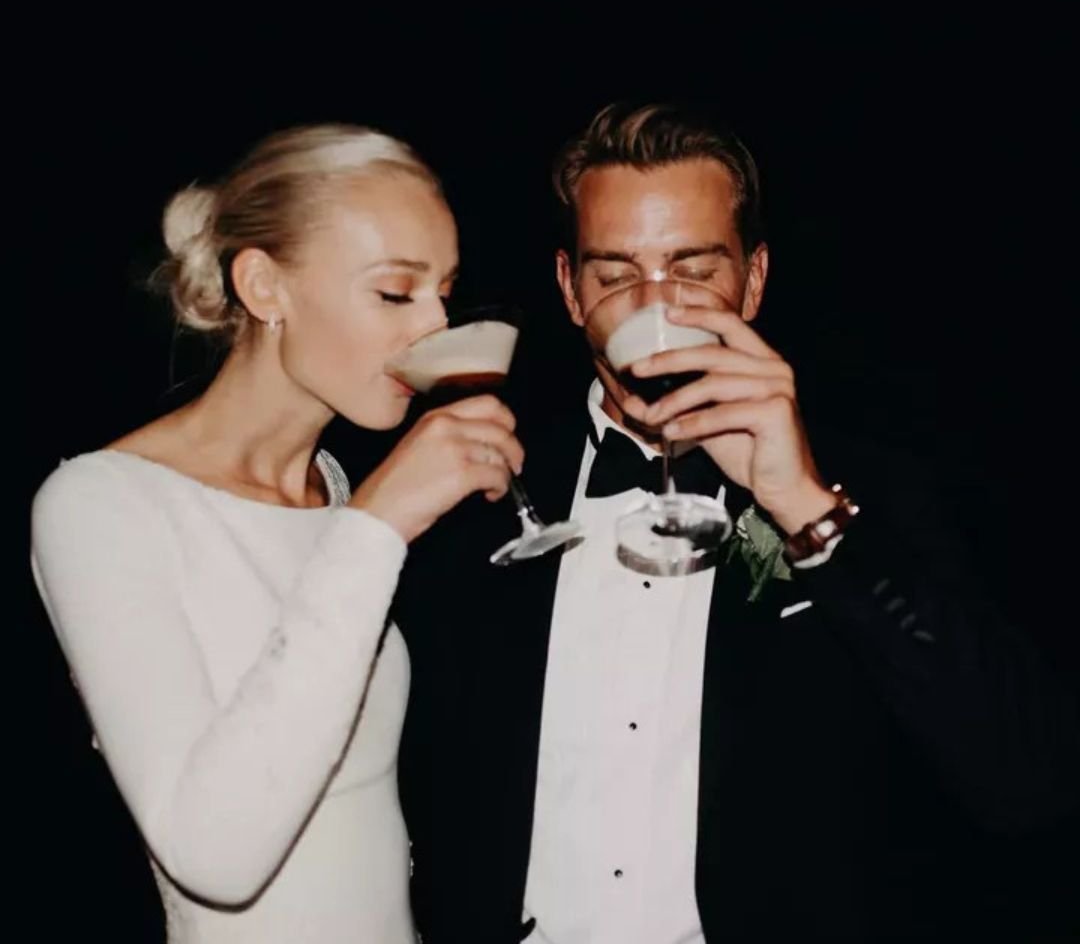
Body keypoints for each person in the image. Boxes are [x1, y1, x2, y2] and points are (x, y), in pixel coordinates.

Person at [394, 102, 1080, 942]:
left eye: (691, 270)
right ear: (570, 291)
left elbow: (1029, 784)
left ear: (753, 281)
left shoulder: (875, 489)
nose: (655, 308)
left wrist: (809, 513)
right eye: (616, 275)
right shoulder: (475, 499)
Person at [29, 123, 523, 943]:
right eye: (396, 292)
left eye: (446, 290)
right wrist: (376, 527)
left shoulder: (329, 488)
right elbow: (214, 856)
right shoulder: (100, 505)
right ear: (263, 287)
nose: (436, 326)